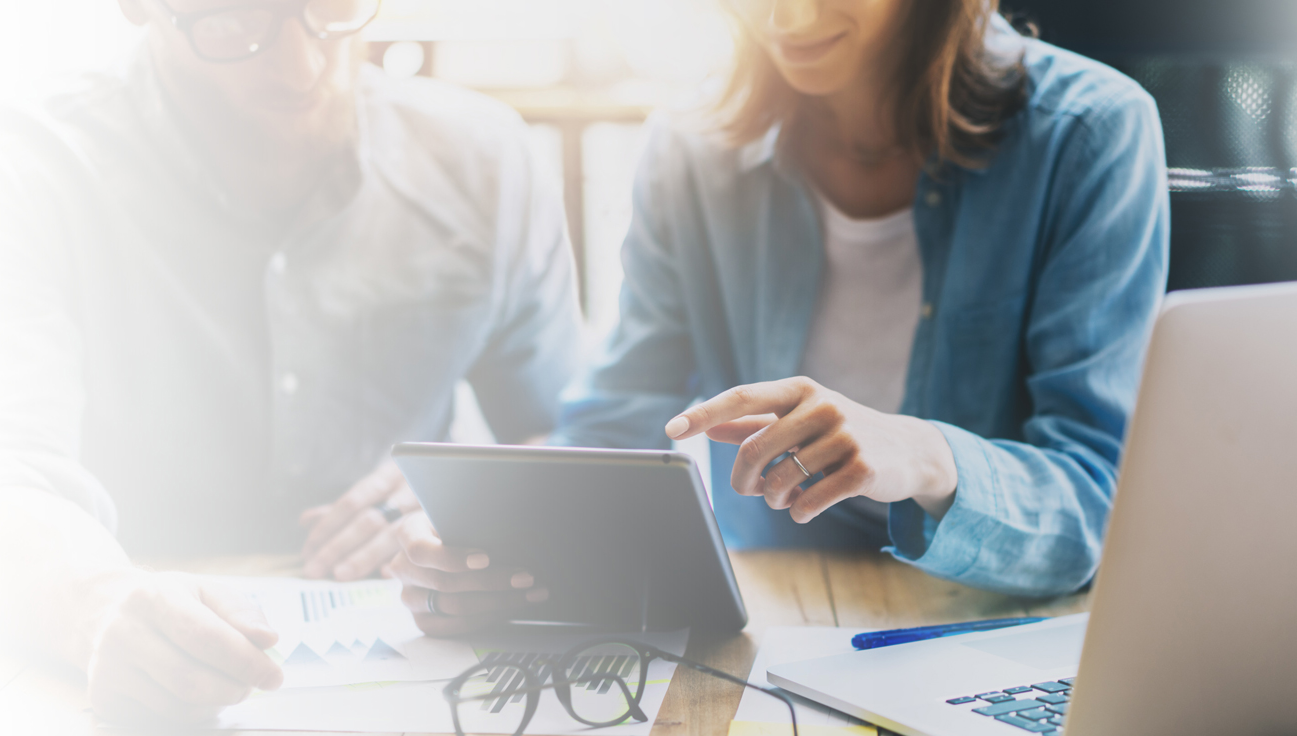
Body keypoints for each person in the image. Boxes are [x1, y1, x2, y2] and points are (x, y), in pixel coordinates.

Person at [391, 0, 1167, 632]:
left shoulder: (1091, 133)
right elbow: (616, 425)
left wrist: (923, 455)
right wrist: (490, 542)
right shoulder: (691, 148)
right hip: (770, 623)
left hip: (993, 628)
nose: (787, 17)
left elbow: (1090, 510)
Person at [0, 0, 578, 724]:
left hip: (425, 681)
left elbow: (570, 434)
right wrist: (97, 601)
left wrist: (472, 490)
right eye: (233, 20)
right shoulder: (20, 167)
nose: (301, 64)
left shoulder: (483, 160)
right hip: (120, 679)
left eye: (332, 6)